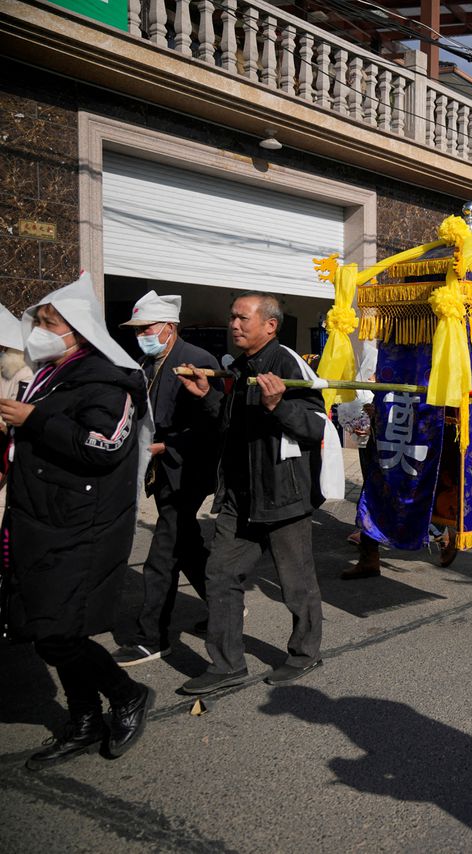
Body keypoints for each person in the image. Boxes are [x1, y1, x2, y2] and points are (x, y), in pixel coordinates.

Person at [0, 273, 154, 769]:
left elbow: (104, 445)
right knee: (47, 628)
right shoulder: (50, 375)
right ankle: (84, 721)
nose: (38, 331)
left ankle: (126, 694)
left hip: (82, 526)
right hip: (41, 519)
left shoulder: (108, 379)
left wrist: (35, 420)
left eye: (48, 323)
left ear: (78, 332)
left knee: (58, 632)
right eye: (38, 321)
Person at [175, 292, 327, 694]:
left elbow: (316, 426)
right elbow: (227, 426)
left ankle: (304, 652)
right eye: (232, 318)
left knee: (296, 583)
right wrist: (206, 395)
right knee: (221, 573)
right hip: (240, 495)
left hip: (283, 493)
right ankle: (226, 665)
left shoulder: (288, 364)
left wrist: (279, 405)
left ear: (270, 325)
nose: (234, 324)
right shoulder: (237, 368)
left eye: (242, 318)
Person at [110, 292, 223, 665]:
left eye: (146, 328)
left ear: (169, 328)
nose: (141, 334)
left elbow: (212, 424)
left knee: (163, 553)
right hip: (161, 470)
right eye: (137, 329)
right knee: (187, 543)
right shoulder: (146, 362)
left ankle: (152, 636)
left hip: (188, 469)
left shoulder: (198, 361)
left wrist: (164, 446)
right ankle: (224, 605)